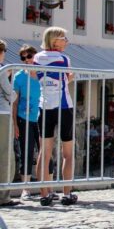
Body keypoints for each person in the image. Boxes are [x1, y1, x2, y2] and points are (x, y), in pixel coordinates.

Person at [35, 27, 77, 206]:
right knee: (67, 152)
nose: (66, 41)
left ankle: (44, 194)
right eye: (63, 38)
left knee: (44, 153)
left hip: (44, 106)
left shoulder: (36, 57)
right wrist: (70, 78)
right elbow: (65, 79)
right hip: (63, 105)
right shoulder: (63, 59)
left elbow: (38, 78)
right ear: (54, 41)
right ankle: (67, 193)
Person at [12, 44, 41, 200]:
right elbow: (14, 103)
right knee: (27, 152)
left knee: (45, 152)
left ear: (35, 56)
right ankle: (26, 189)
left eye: (29, 56)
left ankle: (46, 188)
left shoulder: (43, 73)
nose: (26, 60)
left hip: (42, 116)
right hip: (24, 118)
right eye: (23, 57)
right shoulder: (19, 77)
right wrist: (15, 124)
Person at [0, 40, 19, 207]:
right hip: (2, 114)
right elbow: (11, 95)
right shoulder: (2, 70)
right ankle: (3, 196)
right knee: (5, 154)